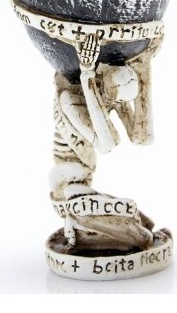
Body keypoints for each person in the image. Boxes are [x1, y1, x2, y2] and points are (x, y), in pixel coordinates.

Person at [50, 33, 164, 251]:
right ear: (101, 82)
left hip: (82, 180)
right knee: (138, 232)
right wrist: (87, 75)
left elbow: (142, 137)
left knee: (138, 218)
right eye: (115, 98)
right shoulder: (72, 100)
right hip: (66, 186)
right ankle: (84, 231)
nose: (118, 104)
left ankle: (91, 231)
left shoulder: (107, 95)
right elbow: (107, 144)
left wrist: (145, 67)